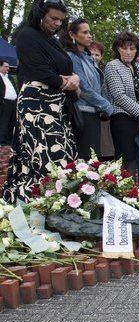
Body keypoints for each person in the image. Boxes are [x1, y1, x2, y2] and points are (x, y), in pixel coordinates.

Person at [2, 0, 79, 202]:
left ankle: (61, 202)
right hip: (35, 104)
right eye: (53, 18)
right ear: (40, 14)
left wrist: (75, 78)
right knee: (40, 155)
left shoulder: (53, 41)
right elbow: (40, 71)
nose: (57, 24)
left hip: (57, 105)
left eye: (61, 21)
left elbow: (67, 68)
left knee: (62, 154)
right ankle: (38, 203)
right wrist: (69, 81)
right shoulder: (26, 35)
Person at [62, 18, 114, 159]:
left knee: (93, 159)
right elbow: (84, 88)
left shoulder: (88, 58)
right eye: (85, 32)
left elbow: (98, 86)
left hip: (94, 113)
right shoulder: (72, 57)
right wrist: (107, 106)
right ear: (73, 35)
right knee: (86, 160)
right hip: (82, 113)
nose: (89, 35)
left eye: (89, 32)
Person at [103, 31, 139, 181]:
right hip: (122, 118)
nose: (128, 51)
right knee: (126, 157)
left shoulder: (138, 67)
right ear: (118, 49)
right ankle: (126, 192)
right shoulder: (112, 66)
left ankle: (136, 189)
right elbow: (118, 95)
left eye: (132, 48)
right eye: (125, 48)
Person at [0, 60, 18, 146]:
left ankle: (10, 141)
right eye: (6, 66)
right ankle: (2, 142)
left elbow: (14, 88)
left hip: (13, 103)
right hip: (4, 103)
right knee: (4, 122)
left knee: (13, 122)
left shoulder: (10, 77)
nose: (8, 68)